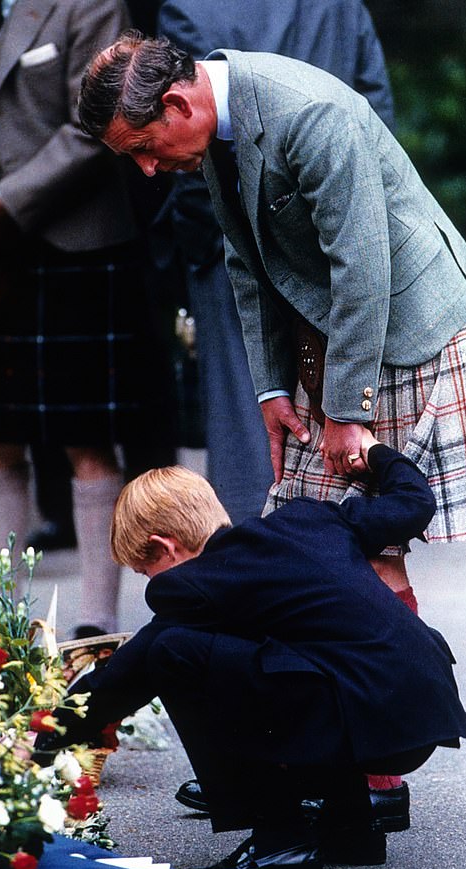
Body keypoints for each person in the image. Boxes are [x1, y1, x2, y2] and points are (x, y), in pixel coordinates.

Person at [76, 28, 466, 810]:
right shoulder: (211, 132)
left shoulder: (306, 113)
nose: (148, 167)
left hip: (412, 319)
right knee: (317, 532)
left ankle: (375, 772)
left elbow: (364, 264)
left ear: (179, 103)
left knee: (374, 539)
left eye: (145, 146)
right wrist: (270, 387)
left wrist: (346, 409)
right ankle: (334, 761)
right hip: (339, 324)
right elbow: (247, 264)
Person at [37, 435, 466, 869]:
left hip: (370, 719)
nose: (150, 583)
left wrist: (47, 733)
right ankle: (350, 828)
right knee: (309, 655)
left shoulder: (190, 583)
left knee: (174, 650)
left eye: (143, 569)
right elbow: (413, 502)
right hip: (422, 709)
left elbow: (133, 667)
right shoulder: (312, 518)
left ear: (164, 547)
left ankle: (279, 842)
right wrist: (376, 455)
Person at [0, 2, 176, 636]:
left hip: (72, 239)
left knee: (87, 441)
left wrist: (3, 203)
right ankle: (6, 631)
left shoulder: (92, 4)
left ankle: (94, 630)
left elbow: (98, 125)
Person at [155, 0, 395, 524]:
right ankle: (342, 562)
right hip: (337, 243)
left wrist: (205, 241)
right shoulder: (339, 4)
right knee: (344, 418)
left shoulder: (187, 10)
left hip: (232, 246)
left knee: (248, 430)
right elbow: (375, 108)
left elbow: (176, 139)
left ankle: (254, 570)